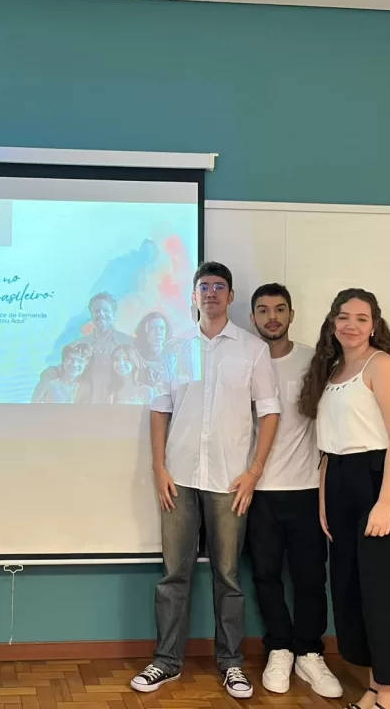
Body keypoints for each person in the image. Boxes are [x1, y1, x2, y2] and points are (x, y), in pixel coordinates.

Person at [130, 262, 281, 699]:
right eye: (204, 287)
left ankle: (231, 664)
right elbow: (160, 410)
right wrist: (159, 468)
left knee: (228, 577)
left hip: (230, 482)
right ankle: (166, 661)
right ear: (193, 297)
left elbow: (270, 412)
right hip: (178, 479)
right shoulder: (174, 349)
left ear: (230, 296)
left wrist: (254, 472)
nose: (211, 293)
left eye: (219, 286)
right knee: (173, 575)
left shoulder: (252, 350)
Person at [297, 289, 390, 709]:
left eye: (361, 318)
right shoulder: (333, 371)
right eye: (344, 317)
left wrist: (386, 503)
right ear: (332, 323)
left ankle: (387, 697)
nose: (352, 325)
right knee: (355, 588)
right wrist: (325, 501)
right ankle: (376, 686)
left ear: (375, 325)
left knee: (386, 590)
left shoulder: (382, 365)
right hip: (341, 482)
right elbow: (329, 447)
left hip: (383, 481)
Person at [246, 283, 342, 698]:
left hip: (307, 489)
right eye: (263, 310)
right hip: (257, 492)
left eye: (280, 309)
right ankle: (280, 648)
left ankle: (309, 652)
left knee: (310, 577)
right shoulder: (242, 361)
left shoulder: (315, 361)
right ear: (252, 317)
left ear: (291, 315)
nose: (272, 317)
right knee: (265, 575)